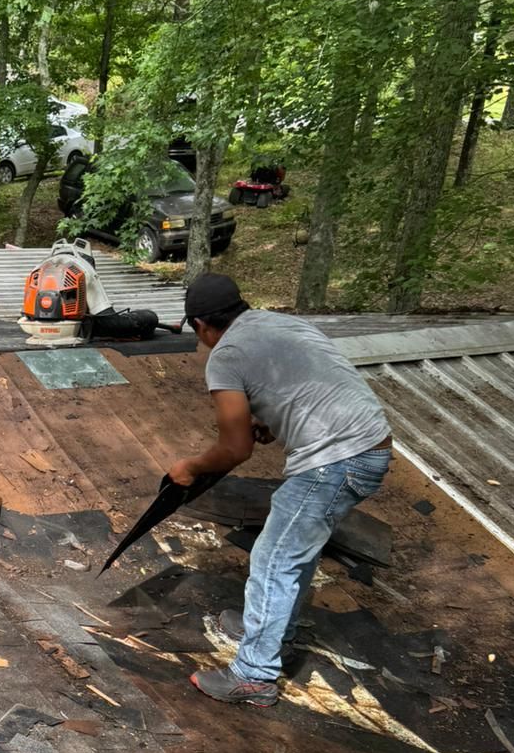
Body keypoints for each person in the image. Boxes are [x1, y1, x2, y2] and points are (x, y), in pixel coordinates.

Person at [168, 274, 392, 707]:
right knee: (295, 549)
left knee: (273, 559)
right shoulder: (281, 323)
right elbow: (310, 383)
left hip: (334, 462)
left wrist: (190, 467)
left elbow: (234, 450)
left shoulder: (226, 354)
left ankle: (254, 675)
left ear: (200, 325)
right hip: (370, 446)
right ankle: (273, 632)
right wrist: (269, 422)